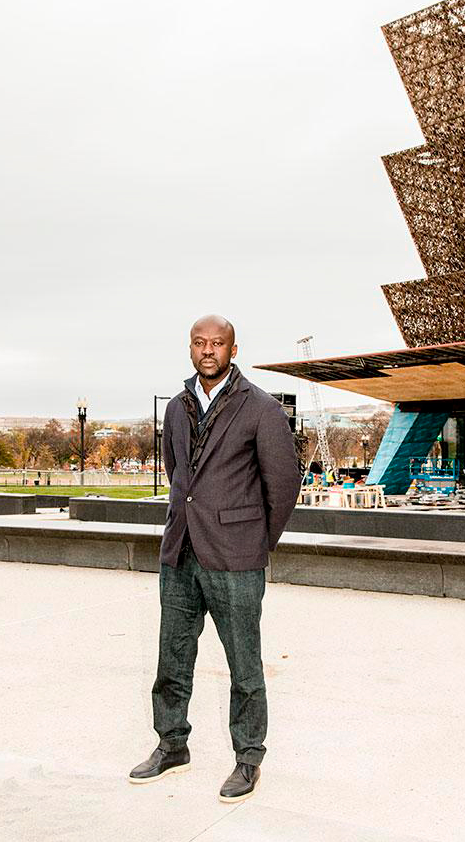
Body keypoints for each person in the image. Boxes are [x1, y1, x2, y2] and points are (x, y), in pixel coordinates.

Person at [129, 315, 301, 802]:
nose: (208, 350)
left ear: (233, 349)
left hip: (236, 558)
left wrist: (255, 542)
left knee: (244, 665)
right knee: (172, 658)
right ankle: (171, 745)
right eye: (200, 342)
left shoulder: (262, 408)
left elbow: (283, 485)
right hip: (180, 552)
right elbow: (177, 474)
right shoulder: (176, 408)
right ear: (190, 348)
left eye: (218, 343)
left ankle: (248, 757)